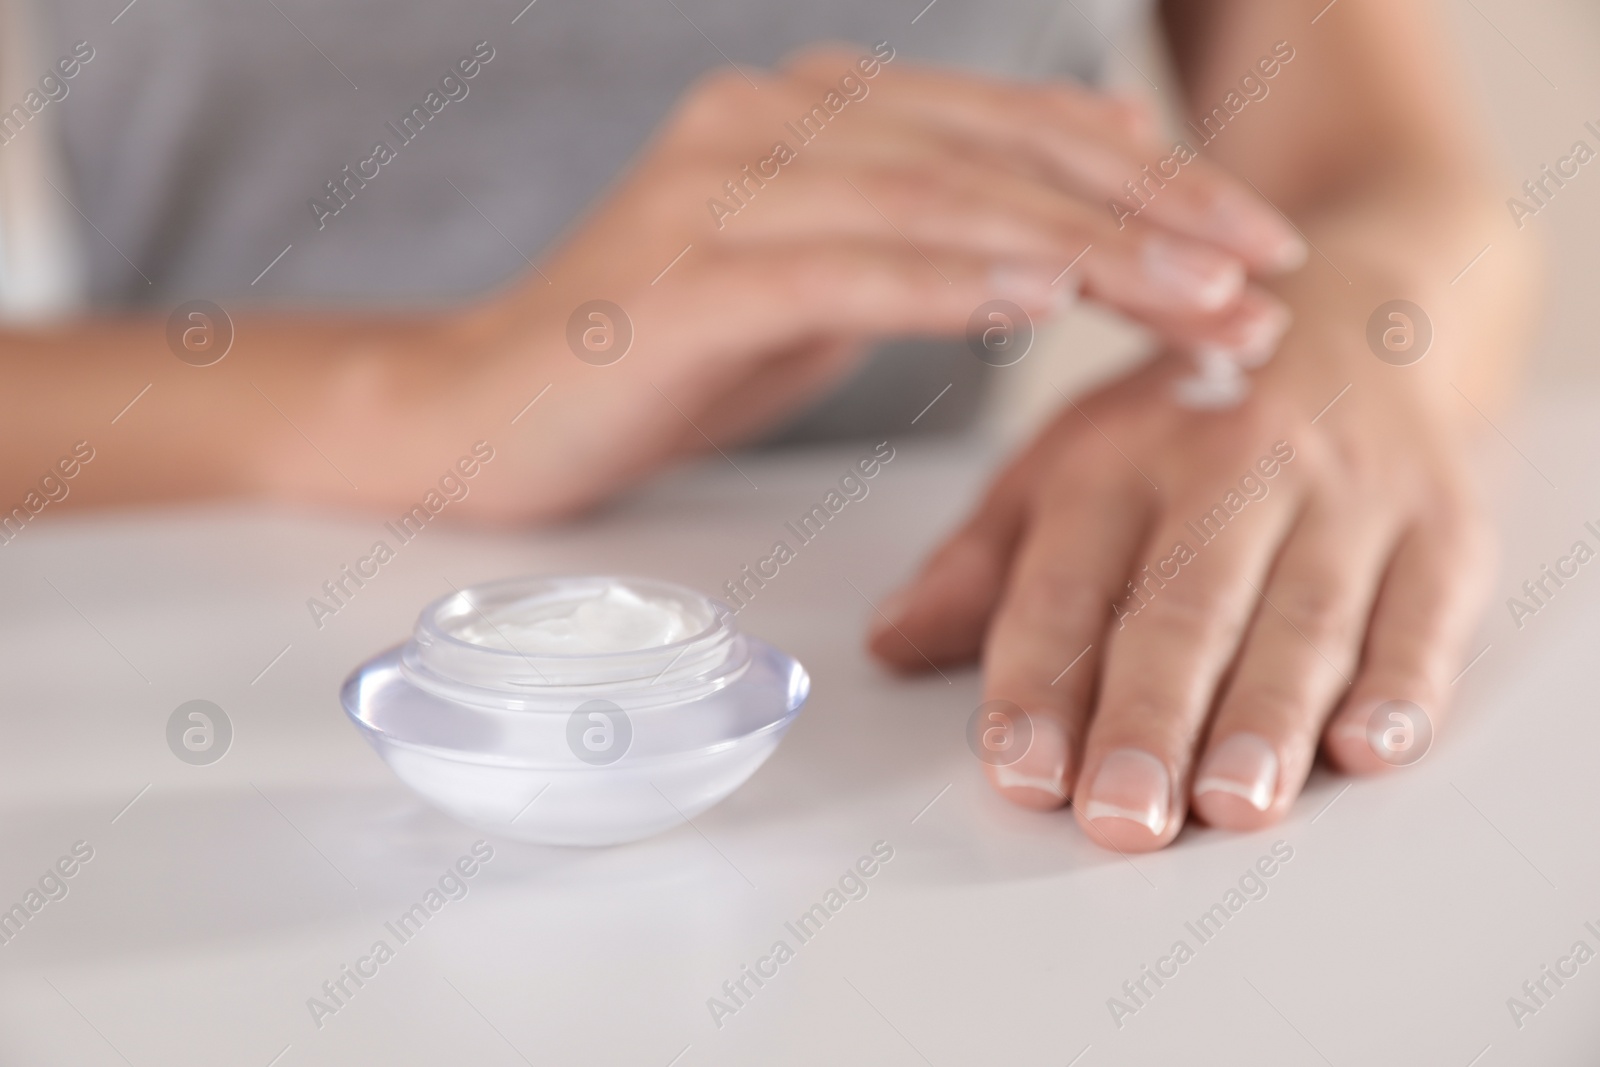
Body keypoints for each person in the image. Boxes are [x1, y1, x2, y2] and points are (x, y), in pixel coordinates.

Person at [0, 0, 1535, 851]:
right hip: (166, 678)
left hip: (906, 700)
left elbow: (1398, 187)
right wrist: (423, 393)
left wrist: (1313, 359)